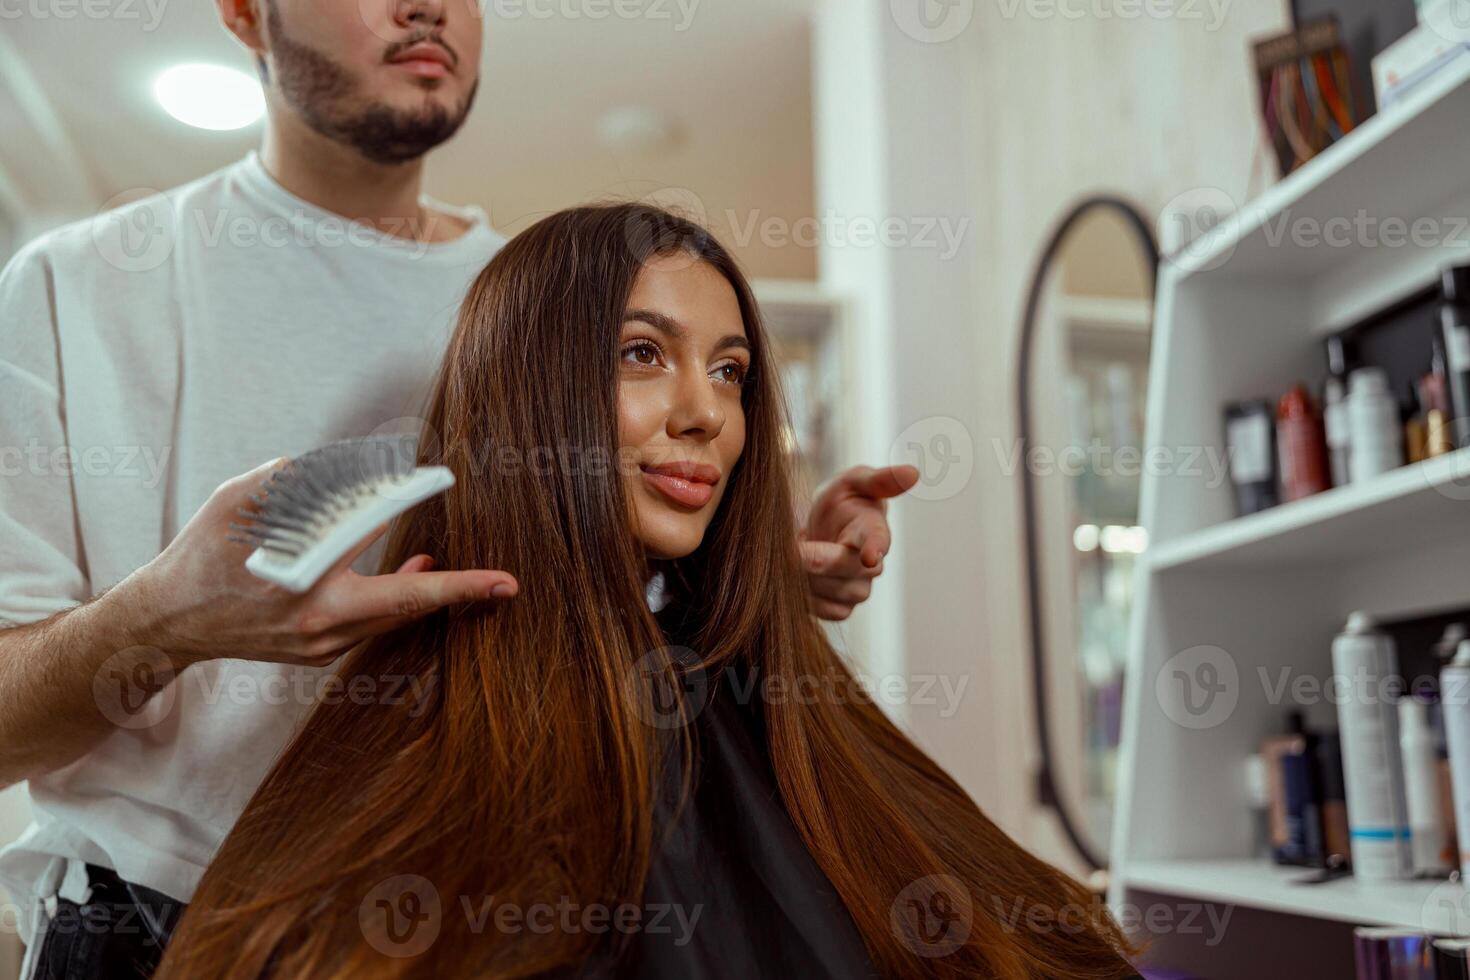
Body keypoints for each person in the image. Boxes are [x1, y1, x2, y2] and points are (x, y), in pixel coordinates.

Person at [0, 2, 912, 976]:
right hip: (145, 930)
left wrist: (758, 574)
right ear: (242, 13)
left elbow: (598, 625)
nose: (428, 6)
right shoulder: (75, 288)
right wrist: (163, 621)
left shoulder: (550, 313)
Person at [152, 203, 1140, 979]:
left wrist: (759, 584)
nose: (705, 410)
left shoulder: (755, 703)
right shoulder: (419, 715)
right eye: (642, 353)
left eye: (731, 370)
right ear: (529, 387)